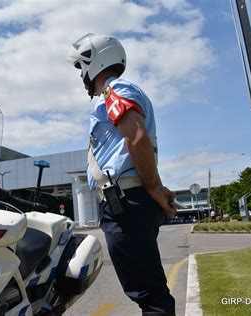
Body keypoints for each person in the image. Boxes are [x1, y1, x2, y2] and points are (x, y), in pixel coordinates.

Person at [67, 33, 176, 315]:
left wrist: (152, 188)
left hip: (126, 202)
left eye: (82, 67)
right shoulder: (117, 92)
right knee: (149, 290)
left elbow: (137, 138)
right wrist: (156, 187)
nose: (82, 76)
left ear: (95, 60)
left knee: (150, 296)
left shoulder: (114, 90)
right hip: (129, 200)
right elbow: (134, 146)